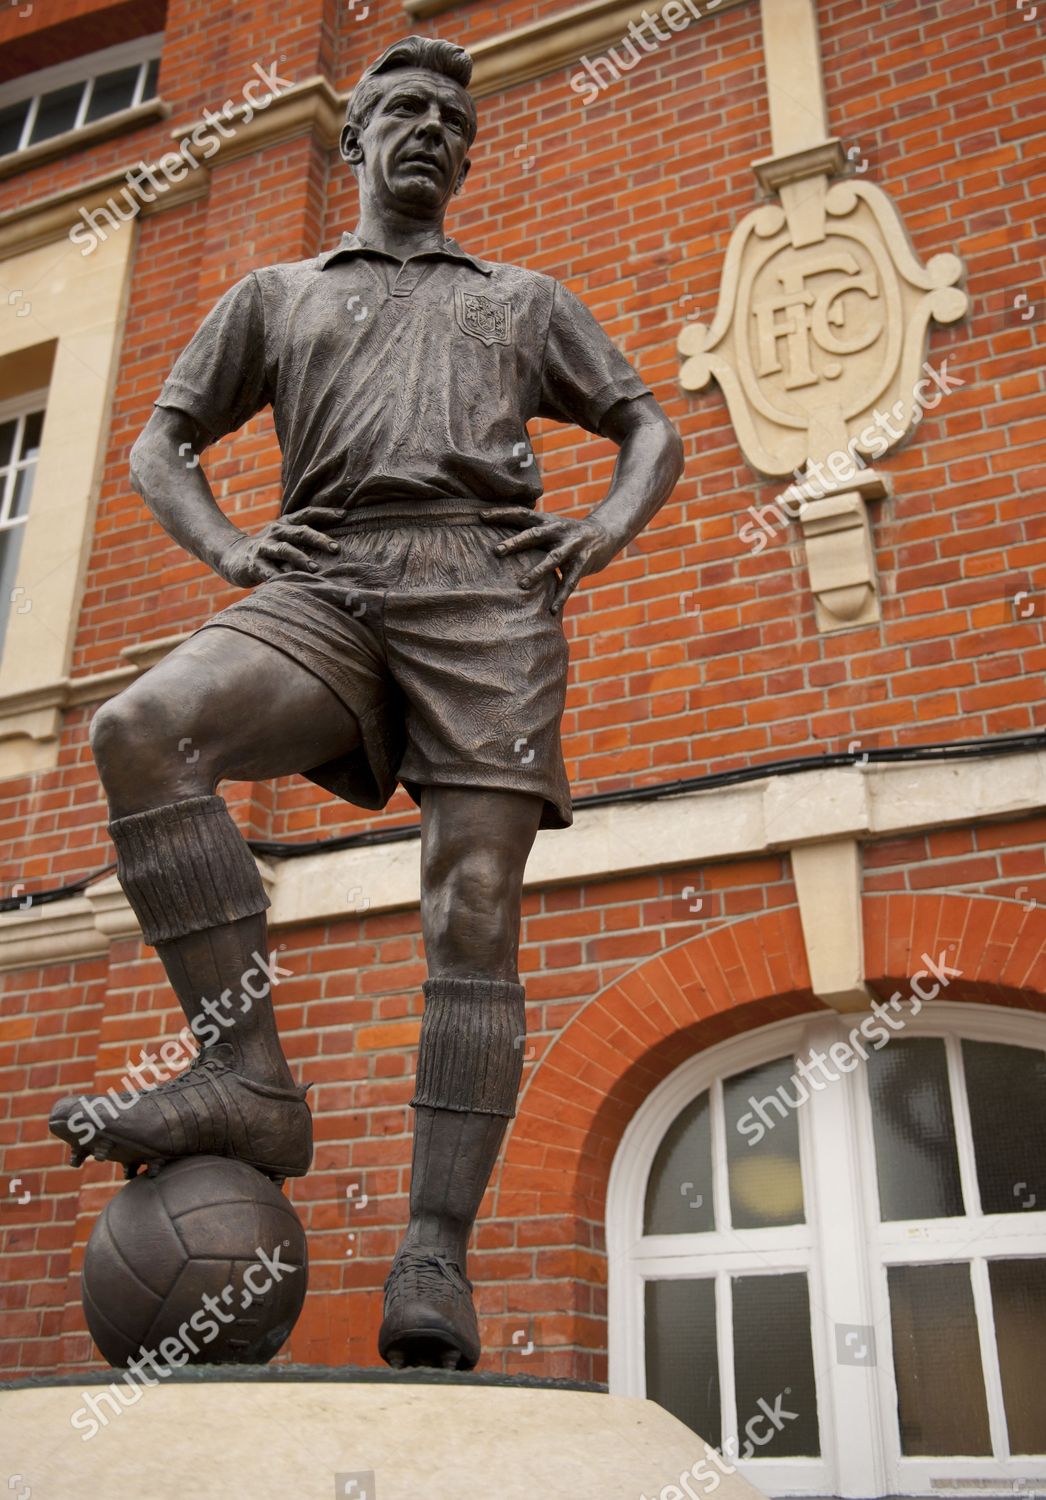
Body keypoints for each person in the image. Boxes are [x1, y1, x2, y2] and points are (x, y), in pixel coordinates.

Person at [50, 34, 684, 1371]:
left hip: (487, 592)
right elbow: (157, 446)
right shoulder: (277, 292)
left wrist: (599, 533)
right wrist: (232, 553)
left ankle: (431, 1256)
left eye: (450, 121)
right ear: (355, 142)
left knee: (472, 907)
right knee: (140, 730)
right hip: (324, 579)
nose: (426, 134)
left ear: (465, 152)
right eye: (399, 110)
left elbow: (648, 427)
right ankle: (250, 1076)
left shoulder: (522, 296)